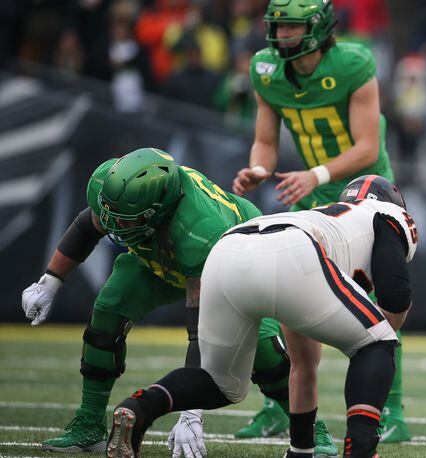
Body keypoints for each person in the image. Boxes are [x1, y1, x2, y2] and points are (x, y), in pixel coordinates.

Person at [105, 175, 418, 458]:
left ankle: (141, 406)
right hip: (294, 252)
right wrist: (376, 342)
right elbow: (395, 295)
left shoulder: (327, 218)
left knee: (220, 383)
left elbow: (303, 366)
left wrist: (301, 450)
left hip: (230, 248)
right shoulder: (386, 214)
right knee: (377, 342)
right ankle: (362, 451)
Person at [21, 148, 291, 457]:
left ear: (156, 210)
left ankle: (312, 433)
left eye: (126, 221)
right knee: (108, 310)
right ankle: (89, 425)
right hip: (162, 254)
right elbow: (89, 225)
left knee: (266, 351)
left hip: (239, 260)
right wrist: (50, 282)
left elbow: (203, 330)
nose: (115, 227)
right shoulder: (115, 188)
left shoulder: (200, 231)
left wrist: (191, 412)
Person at [230, 0, 410, 443]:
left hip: (364, 193)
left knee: (381, 304)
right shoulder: (266, 69)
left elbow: (368, 146)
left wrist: (317, 174)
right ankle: (278, 403)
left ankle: (393, 411)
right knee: (275, 292)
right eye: (279, 26)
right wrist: (257, 167)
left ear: (318, 27)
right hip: (312, 193)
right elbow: (265, 142)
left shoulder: (352, 63)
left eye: (292, 26)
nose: (282, 35)